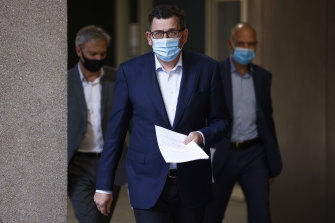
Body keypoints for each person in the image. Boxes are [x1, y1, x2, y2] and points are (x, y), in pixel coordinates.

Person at [94, 5, 230, 223]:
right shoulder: (130, 72)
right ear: (149, 37)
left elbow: (222, 121)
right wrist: (103, 185)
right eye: (158, 33)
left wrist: (202, 135)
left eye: (172, 32)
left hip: (192, 182)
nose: (165, 38)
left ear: (184, 35)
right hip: (146, 182)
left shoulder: (208, 69)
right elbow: (115, 134)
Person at [203, 22, 283, 223]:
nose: (245, 49)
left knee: (261, 216)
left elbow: (267, 120)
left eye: (249, 44)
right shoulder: (215, 72)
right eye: (241, 43)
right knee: (210, 215)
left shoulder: (263, 77)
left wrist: (272, 163)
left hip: (254, 155)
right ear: (231, 44)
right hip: (222, 154)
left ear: (255, 44)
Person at [67, 25, 126, 223]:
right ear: (79, 50)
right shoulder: (65, 82)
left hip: (110, 163)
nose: (98, 59)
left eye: (102, 53)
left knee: (102, 219)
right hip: (78, 165)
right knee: (88, 219)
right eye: (92, 53)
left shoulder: (117, 78)